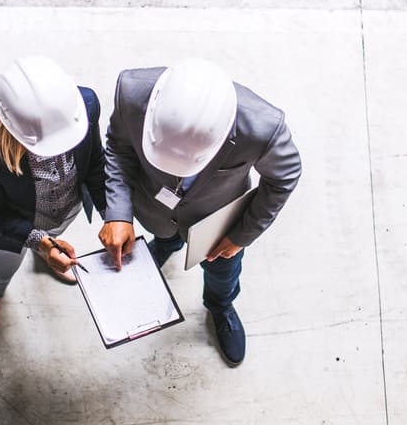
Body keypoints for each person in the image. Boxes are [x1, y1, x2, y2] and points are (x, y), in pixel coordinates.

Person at [98, 59, 301, 366]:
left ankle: (220, 306)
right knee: (163, 234)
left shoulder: (263, 127)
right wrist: (118, 213)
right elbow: (118, 147)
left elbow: (284, 176)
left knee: (223, 273)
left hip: (216, 224)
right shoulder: (130, 93)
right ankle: (166, 243)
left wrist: (240, 236)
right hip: (154, 207)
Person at [0, 56, 107, 343]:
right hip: (9, 230)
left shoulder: (85, 105)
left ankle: (47, 255)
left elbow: (94, 162)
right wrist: (39, 240)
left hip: (64, 208)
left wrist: (111, 214)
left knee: (56, 235)